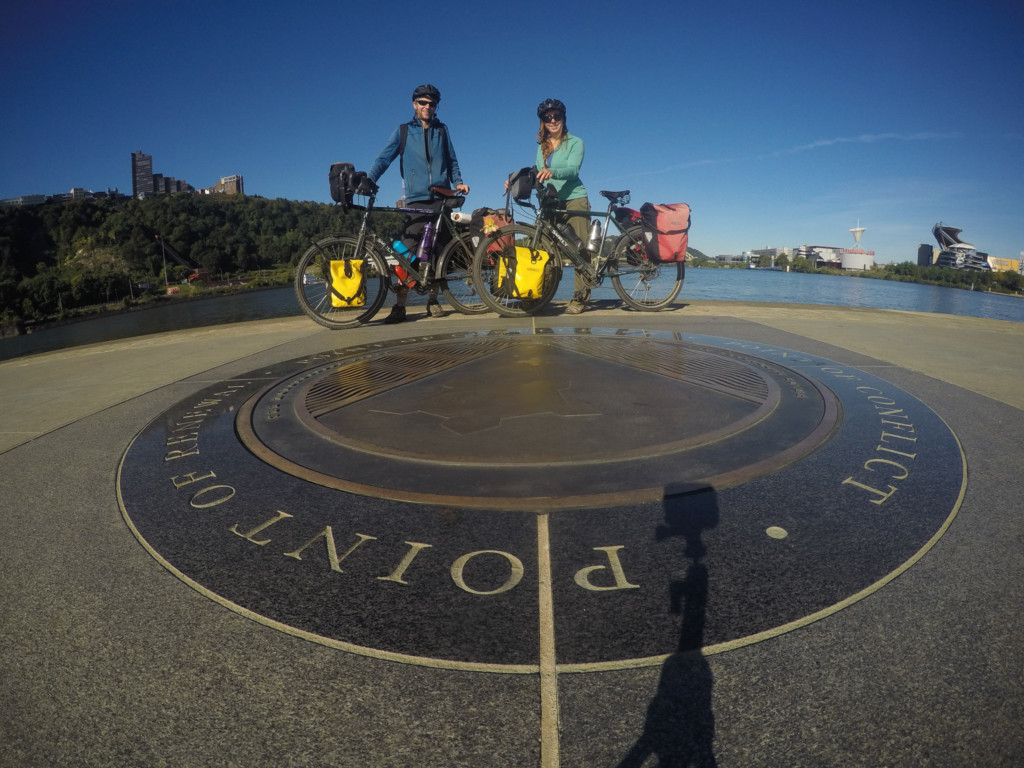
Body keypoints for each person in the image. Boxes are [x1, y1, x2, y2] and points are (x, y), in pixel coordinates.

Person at [366, 84, 469, 323]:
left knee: (437, 253)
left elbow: (452, 161)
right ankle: (400, 305)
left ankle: (433, 301)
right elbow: (384, 158)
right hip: (415, 199)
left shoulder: (442, 131)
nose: (427, 107)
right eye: (423, 102)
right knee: (409, 253)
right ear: (415, 105)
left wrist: (459, 182)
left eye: (432, 104)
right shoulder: (403, 131)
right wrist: (370, 179)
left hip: (441, 199)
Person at [535, 98, 590, 314]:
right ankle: (540, 294)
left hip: (575, 198)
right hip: (551, 201)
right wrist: (513, 179)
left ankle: (580, 298)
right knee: (543, 250)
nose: (553, 120)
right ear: (543, 122)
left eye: (557, 116)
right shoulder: (542, 147)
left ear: (563, 118)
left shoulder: (576, 142)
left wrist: (553, 172)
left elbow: (573, 170)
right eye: (548, 118)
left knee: (580, 250)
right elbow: (536, 171)